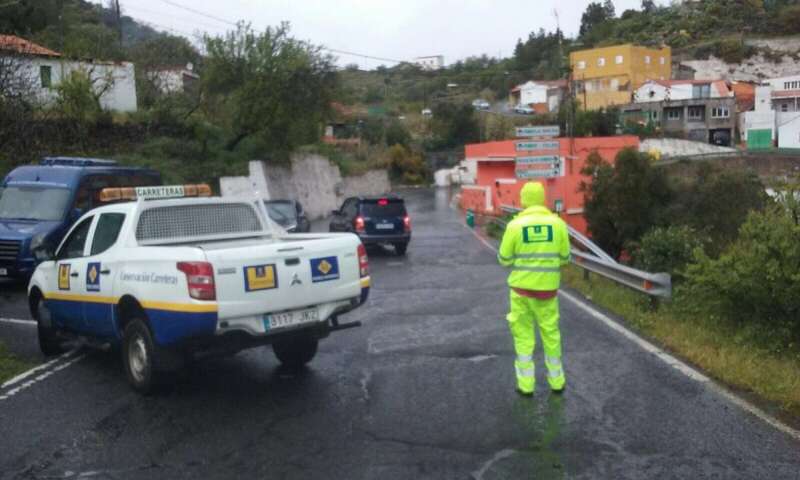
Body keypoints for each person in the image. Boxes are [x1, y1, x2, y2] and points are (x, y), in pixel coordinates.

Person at [497, 181, 570, 396]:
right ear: (542, 199)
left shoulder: (514, 226)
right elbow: (565, 258)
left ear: (524, 200)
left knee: (523, 337)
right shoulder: (558, 224)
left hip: (520, 292)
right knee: (551, 335)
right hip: (548, 293)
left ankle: (526, 386)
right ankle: (557, 382)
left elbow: (504, 259)